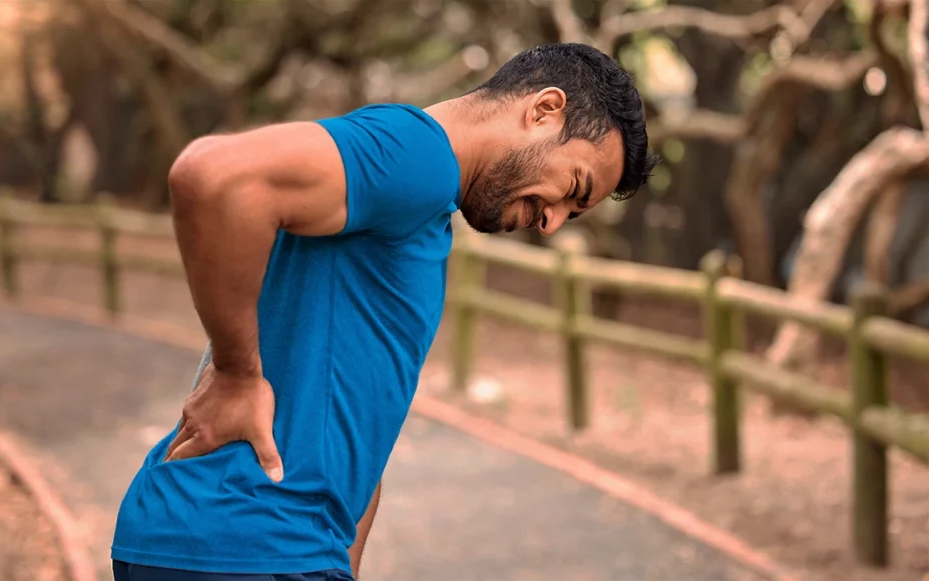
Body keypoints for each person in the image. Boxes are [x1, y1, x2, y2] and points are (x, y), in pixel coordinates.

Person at [111, 42, 658, 581]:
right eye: (573, 188)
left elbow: (358, 420)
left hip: (275, 546)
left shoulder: (420, 202)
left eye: (574, 213)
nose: (553, 223)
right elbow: (212, 175)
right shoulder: (418, 153)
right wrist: (235, 374)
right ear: (543, 110)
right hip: (248, 542)